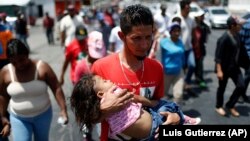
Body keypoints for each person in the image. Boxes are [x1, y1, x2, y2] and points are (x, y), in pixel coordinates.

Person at [91, 4, 182, 141]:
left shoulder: (157, 68)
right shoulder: (100, 67)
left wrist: (175, 117)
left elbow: (158, 103)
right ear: (122, 36)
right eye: (137, 38)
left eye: (148, 37)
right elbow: (87, 116)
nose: (145, 45)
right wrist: (104, 111)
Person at [71, 74, 186, 141]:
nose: (109, 80)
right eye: (105, 81)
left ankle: (183, 118)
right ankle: (183, 118)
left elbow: (91, 117)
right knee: (167, 106)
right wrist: (152, 103)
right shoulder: (114, 92)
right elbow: (137, 98)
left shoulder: (97, 108)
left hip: (147, 134)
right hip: (155, 122)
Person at [0, 39, 69, 141]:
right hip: (19, 118)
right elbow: (2, 95)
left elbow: (56, 87)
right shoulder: (5, 72)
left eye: (22, 60)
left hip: (43, 115)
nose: (19, 65)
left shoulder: (42, 68)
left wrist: (63, 109)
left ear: (27, 54)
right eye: (14, 62)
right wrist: (3, 116)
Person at [214, 16, 248, 117]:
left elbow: (241, 50)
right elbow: (218, 56)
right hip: (224, 68)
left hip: (234, 67)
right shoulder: (223, 38)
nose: (241, 26)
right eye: (239, 24)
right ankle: (218, 106)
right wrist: (219, 70)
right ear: (232, 26)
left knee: (241, 86)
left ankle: (230, 105)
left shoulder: (237, 35)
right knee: (222, 88)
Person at [160, 22, 185, 104]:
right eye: (174, 31)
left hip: (178, 72)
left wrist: (185, 67)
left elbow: (182, 56)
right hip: (166, 73)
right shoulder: (163, 42)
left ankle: (177, 113)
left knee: (179, 94)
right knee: (163, 95)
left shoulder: (181, 42)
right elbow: (155, 53)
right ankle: (162, 113)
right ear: (170, 32)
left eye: (178, 31)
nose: (177, 33)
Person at [192, 10, 211, 88]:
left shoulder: (205, 26)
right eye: (201, 16)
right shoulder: (192, 25)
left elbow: (207, 35)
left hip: (201, 48)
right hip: (192, 48)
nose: (202, 17)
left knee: (199, 64)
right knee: (191, 64)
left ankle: (200, 79)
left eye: (203, 16)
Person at [239, 17, 250, 104]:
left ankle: (241, 94)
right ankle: (240, 94)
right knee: (248, 75)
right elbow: (240, 41)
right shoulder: (247, 25)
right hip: (247, 54)